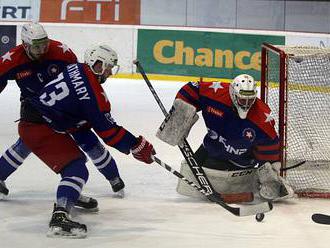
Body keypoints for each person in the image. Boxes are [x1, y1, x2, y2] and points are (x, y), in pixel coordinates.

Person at [18, 44, 156, 238]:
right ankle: (59, 217)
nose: (108, 72)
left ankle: (70, 195)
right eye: (105, 67)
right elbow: (108, 131)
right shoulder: (93, 94)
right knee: (77, 169)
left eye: (110, 68)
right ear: (95, 63)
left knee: (81, 151)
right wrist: (136, 144)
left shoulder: (77, 67)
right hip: (40, 126)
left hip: (43, 118)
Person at [0, 22, 125, 204]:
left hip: (67, 108)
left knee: (86, 138)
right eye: (37, 46)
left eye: (45, 43)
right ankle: (71, 188)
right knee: (27, 143)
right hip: (36, 110)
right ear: (25, 45)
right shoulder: (12, 60)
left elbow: (81, 78)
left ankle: (113, 177)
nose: (43, 49)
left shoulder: (61, 52)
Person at [156, 74, 294, 202]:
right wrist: (180, 113)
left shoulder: (262, 119)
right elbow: (192, 88)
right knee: (190, 179)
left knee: (211, 183)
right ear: (233, 94)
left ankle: (240, 179)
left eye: (250, 99)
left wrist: (271, 174)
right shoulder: (215, 94)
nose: (246, 103)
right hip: (211, 148)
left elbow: (270, 146)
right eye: (242, 99)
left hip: (239, 162)